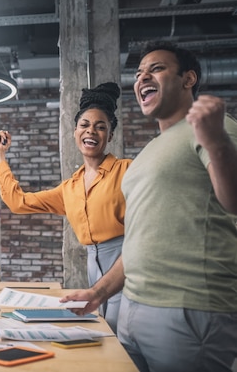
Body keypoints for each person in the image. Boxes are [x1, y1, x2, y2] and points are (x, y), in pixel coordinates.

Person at [61, 41, 237, 372]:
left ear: (188, 80)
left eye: (155, 69)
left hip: (186, 306)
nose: (142, 78)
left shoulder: (215, 130)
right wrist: (99, 292)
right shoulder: (148, 154)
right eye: (139, 73)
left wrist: (216, 142)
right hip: (132, 307)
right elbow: (142, 237)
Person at [0, 82, 131, 333]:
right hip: (93, 268)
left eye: (101, 127)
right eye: (85, 125)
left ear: (110, 135)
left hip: (128, 264)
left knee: (126, 336)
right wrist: (0, 156)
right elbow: (18, 202)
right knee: (107, 332)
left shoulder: (127, 171)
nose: (92, 131)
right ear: (75, 131)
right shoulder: (69, 188)